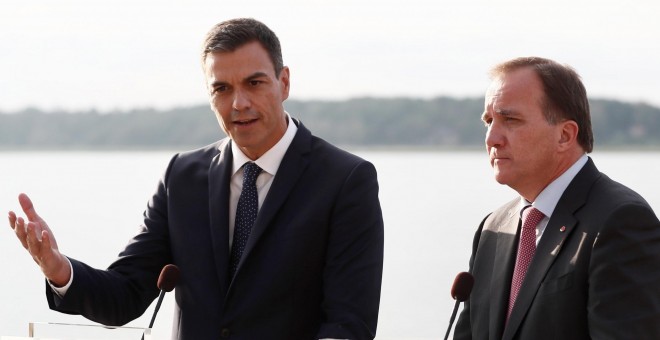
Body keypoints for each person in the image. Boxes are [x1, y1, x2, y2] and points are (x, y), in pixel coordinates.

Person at [8, 18, 384, 340]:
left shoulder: (347, 180)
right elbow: (126, 293)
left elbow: (348, 326)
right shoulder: (182, 176)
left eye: (254, 83)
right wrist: (60, 271)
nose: (239, 103)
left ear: (284, 83)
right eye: (222, 88)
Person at [453, 57, 660, 339]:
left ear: (564, 135)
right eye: (489, 121)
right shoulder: (493, 227)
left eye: (510, 119)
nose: (491, 138)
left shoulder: (621, 221)